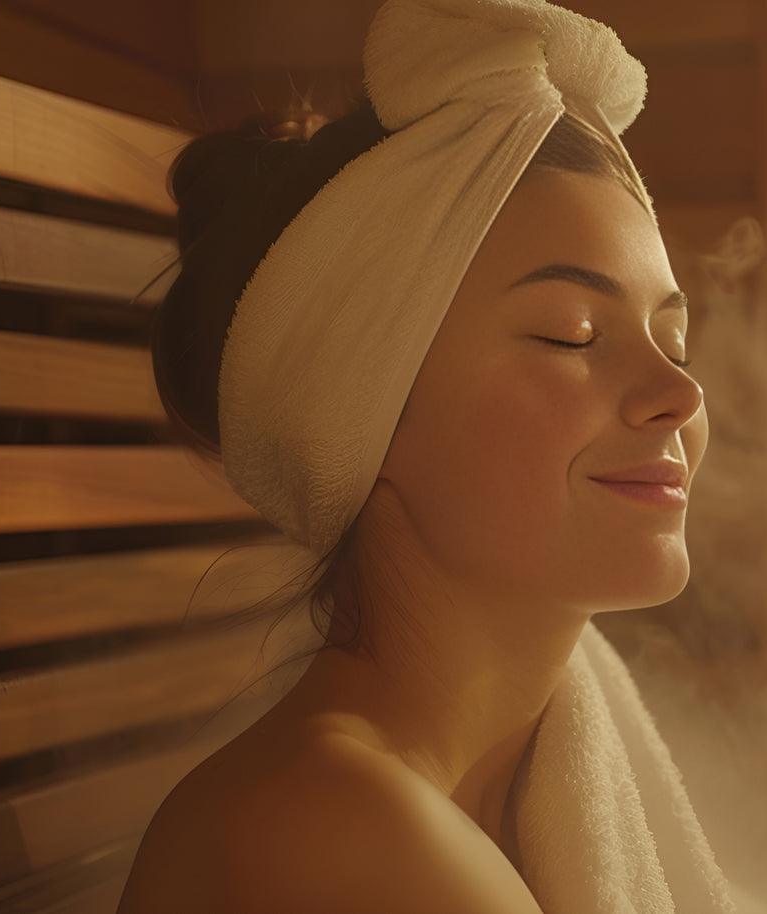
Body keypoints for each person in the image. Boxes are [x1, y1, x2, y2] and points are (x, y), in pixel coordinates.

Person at [118, 2, 731, 912]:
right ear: (366, 414)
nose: (679, 394)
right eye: (572, 334)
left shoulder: (496, 785)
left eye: (674, 343)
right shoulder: (334, 834)